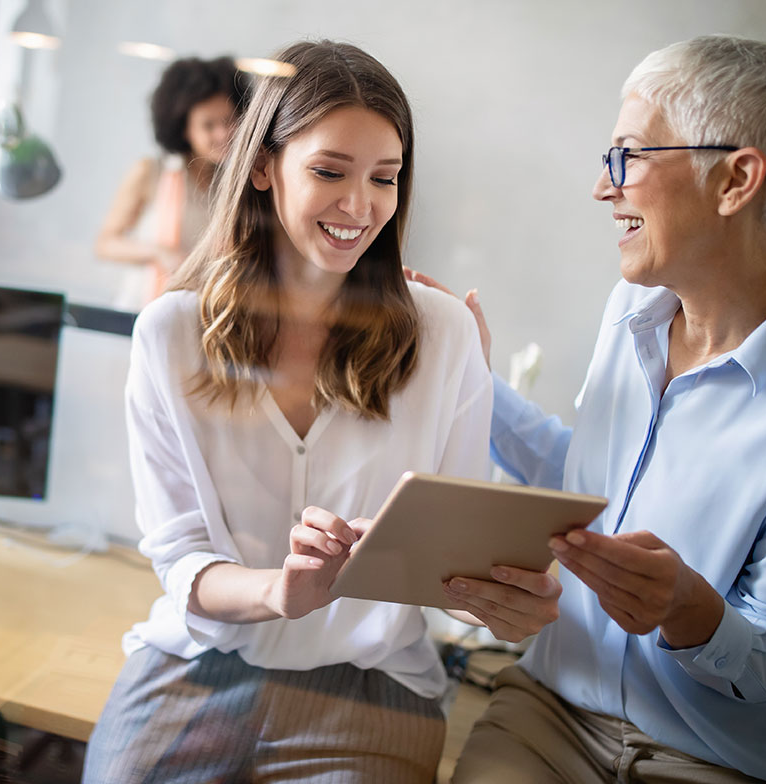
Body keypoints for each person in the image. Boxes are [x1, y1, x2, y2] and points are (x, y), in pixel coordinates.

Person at [430, 35, 766, 784]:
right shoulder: (632, 310)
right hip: (553, 711)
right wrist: (467, 382)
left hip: (715, 753)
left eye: (628, 155)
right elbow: (590, 485)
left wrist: (692, 614)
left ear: (735, 180)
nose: (602, 186)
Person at [82, 40, 559, 783]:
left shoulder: (444, 335)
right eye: (330, 172)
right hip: (203, 663)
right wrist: (279, 591)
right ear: (265, 167)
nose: (360, 205)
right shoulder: (171, 333)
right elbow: (180, 560)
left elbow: (453, 570)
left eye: (385, 178)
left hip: (372, 684)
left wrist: (496, 604)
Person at [95, 55, 247, 309]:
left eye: (229, 121)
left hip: (199, 314)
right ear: (184, 128)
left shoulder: (233, 185)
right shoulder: (150, 172)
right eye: (208, 125)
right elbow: (105, 244)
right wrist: (159, 253)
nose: (223, 134)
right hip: (142, 309)